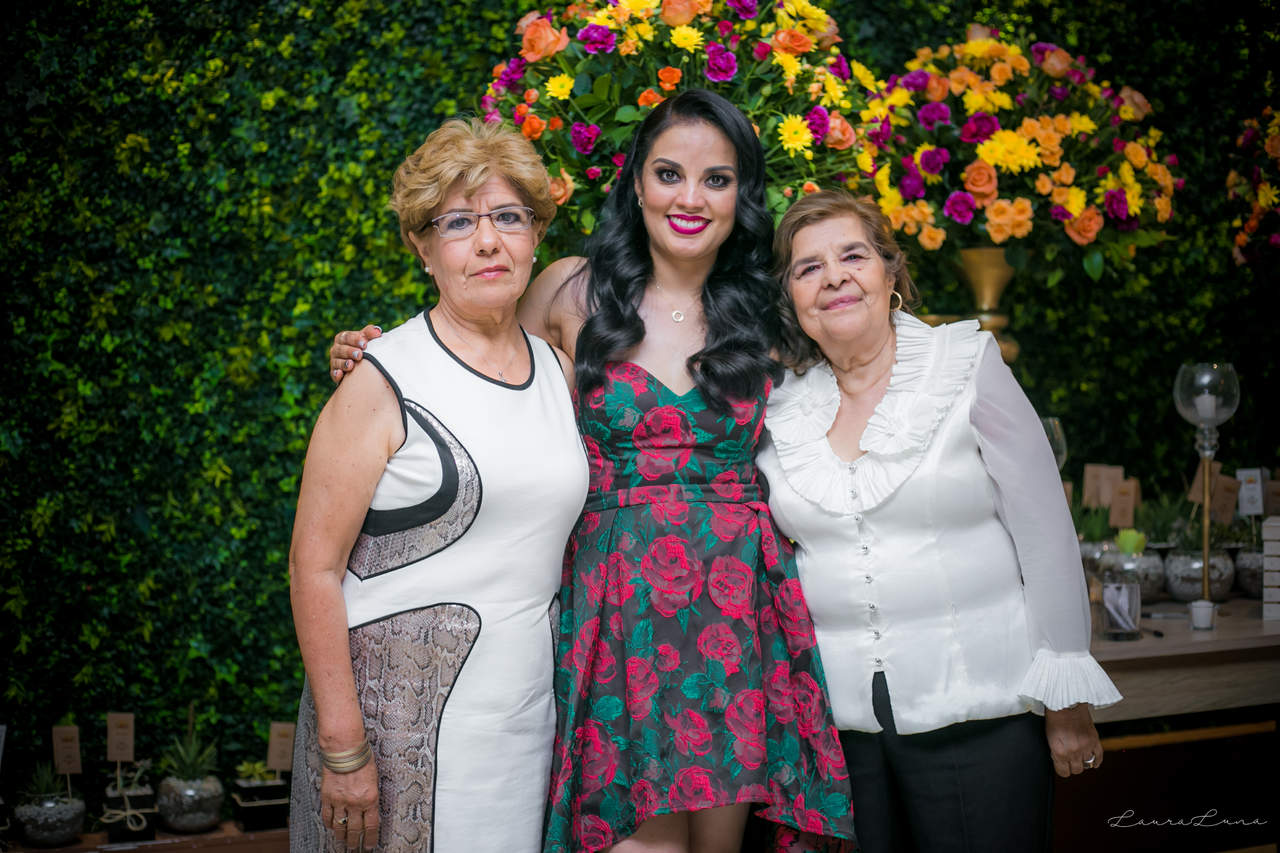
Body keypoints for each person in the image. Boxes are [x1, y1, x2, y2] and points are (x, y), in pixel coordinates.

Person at [329, 90, 854, 853]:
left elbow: (863, 367)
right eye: (669, 173)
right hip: (615, 618)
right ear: (635, 181)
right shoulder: (572, 290)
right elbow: (474, 361)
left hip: (738, 619)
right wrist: (373, 356)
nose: (690, 198)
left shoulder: (769, 309)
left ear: (742, 194)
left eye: (716, 179)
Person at [756, 190, 1123, 853]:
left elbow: (1045, 535)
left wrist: (1066, 702)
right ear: (791, 298)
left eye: (853, 256)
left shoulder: (966, 366)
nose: (834, 277)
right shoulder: (779, 407)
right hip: (841, 735)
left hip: (983, 712)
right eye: (808, 268)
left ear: (890, 271)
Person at [289, 117, 589, 853]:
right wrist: (343, 749)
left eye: (509, 217)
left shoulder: (559, 372)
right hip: (396, 736)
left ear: (536, 235)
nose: (488, 241)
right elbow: (313, 568)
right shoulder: (381, 378)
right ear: (422, 247)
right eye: (458, 222)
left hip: (525, 724)